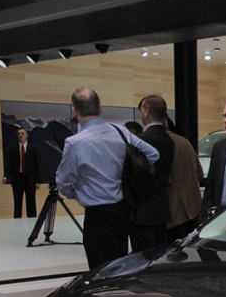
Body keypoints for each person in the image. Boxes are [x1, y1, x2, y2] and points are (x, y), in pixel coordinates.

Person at [55, 86, 159, 270]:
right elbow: (152, 154)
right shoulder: (120, 131)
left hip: (97, 214)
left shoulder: (75, 143)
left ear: (75, 111)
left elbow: (63, 182)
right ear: (100, 108)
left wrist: (78, 193)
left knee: (99, 269)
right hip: (123, 210)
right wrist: (128, 175)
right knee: (120, 264)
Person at [129, 95, 174, 252]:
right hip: (161, 207)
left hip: (143, 211)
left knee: (142, 257)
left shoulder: (141, 141)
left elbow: (134, 176)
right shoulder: (169, 140)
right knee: (160, 254)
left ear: (147, 111)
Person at [166, 127, 203, 241]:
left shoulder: (161, 143)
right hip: (192, 208)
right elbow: (200, 174)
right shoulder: (185, 142)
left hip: (172, 212)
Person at [3, 126, 40, 218]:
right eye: (19, 133)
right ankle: (17, 221)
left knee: (31, 203)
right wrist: (6, 176)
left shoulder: (33, 149)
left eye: (22, 133)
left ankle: (32, 221)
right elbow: (9, 165)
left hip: (29, 179)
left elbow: (37, 166)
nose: (20, 135)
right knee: (17, 203)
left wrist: (37, 181)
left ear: (26, 135)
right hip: (18, 178)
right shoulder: (12, 149)